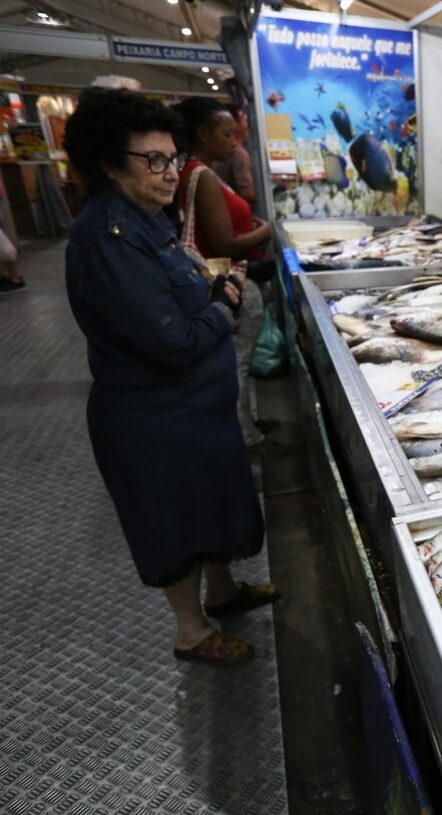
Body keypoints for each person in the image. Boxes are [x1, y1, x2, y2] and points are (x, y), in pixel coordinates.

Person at [63, 87, 278, 666]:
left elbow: (177, 290)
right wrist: (222, 307)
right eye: (152, 161)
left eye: (172, 159)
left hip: (195, 411)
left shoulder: (147, 219)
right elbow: (168, 340)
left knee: (211, 507)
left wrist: (209, 292)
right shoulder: (108, 235)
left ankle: (224, 592)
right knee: (175, 525)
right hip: (155, 420)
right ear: (110, 164)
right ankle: (192, 632)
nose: (168, 173)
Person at [171, 97, 283, 455]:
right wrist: (267, 230)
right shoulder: (201, 175)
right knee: (236, 363)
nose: (234, 142)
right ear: (203, 133)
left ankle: (246, 423)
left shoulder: (192, 171)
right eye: (226, 133)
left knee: (238, 362)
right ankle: (246, 438)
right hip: (225, 280)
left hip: (219, 278)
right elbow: (225, 243)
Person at [213, 105, 256, 207]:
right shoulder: (238, 154)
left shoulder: (221, 150)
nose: (247, 123)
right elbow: (248, 194)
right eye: (244, 119)